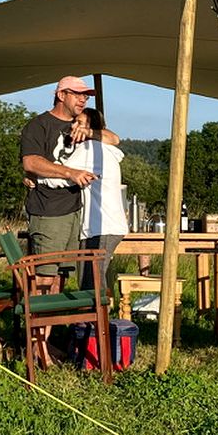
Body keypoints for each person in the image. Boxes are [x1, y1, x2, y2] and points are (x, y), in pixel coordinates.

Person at [19, 76, 119, 288]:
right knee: (45, 277)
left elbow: (114, 139)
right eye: (77, 94)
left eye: (86, 96)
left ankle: (55, 322)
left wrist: (90, 132)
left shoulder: (80, 124)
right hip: (49, 211)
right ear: (61, 95)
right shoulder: (39, 125)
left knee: (61, 278)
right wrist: (69, 172)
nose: (83, 100)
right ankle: (39, 321)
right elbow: (31, 162)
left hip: (76, 213)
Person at [74, 106, 128, 294]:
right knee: (90, 281)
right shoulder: (104, 149)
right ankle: (92, 322)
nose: (74, 126)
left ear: (91, 128)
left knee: (92, 285)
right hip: (102, 225)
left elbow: (59, 173)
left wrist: (35, 175)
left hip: (101, 226)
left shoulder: (90, 148)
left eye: (79, 122)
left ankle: (97, 323)